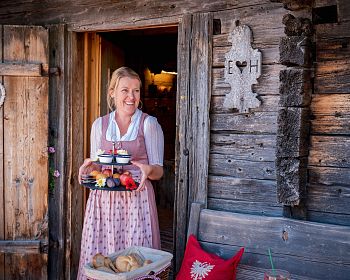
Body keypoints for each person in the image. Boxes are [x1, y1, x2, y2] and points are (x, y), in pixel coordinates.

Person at [77, 66, 164, 279]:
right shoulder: (99, 125)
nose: (131, 97)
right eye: (125, 90)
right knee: (102, 259)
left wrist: (147, 169)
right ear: (112, 92)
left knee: (136, 262)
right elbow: (97, 165)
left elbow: (159, 171)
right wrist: (90, 168)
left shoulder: (148, 124)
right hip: (103, 203)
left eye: (136, 91)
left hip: (137, 200)